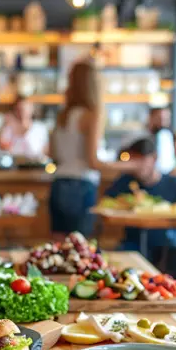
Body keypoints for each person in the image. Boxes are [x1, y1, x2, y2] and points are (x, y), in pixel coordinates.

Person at [50, 61, 134, 238]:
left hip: (59, 183)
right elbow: (93, 161)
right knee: (80, 251)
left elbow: (53, 154)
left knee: (58, 250)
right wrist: (131, 166)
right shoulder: (92, 115)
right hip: (80, 185)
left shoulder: (63, 115)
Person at [105, 138, 176, 293]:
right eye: (134, 160)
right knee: (118, 260)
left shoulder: (172, 182)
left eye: (142, 160)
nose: (137, 165)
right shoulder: (125, 182)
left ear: (154, 158)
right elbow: (106, 202)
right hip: (133, 241)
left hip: (168, 240)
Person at [122, 107, 176, 174]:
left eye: (166, 119)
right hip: (140, 175)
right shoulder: (135, 135)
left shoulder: (166, 136)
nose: (163, 123)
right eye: (159, 118)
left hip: (164, 177)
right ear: (150, 117)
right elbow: (123, 155)